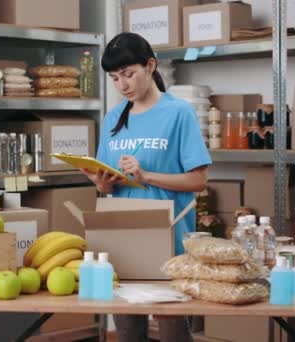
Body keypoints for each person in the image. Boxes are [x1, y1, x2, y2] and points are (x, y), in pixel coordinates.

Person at [80, 32, 212, 342]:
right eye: (114, 78)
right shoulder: (114, 118)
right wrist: (102, 183)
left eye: (128, 74)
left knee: (173, 335)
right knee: (128, 335)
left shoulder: (179, 113)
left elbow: (199, 180)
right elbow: (109, 188)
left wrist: (146, 175)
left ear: (150, 66)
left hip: (171, 243)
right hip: (123, 241)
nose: (122, 85)